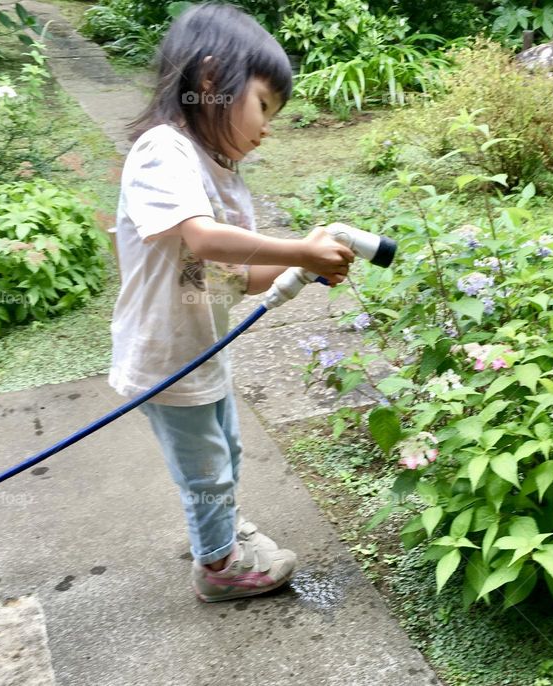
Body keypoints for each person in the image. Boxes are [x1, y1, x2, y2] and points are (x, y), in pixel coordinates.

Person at [107, 3, 355, 602]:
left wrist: (305, 264)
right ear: (212, 81)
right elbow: (203, 238)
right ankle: (218, 570)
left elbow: (228, 276)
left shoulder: (218, 170)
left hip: (200, 348)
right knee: (207, 470)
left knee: (225, 455)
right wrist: (300, 247)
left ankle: (219, 533)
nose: (268, 126)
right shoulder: (163, 151)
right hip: (165, 356)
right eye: (264, 105)